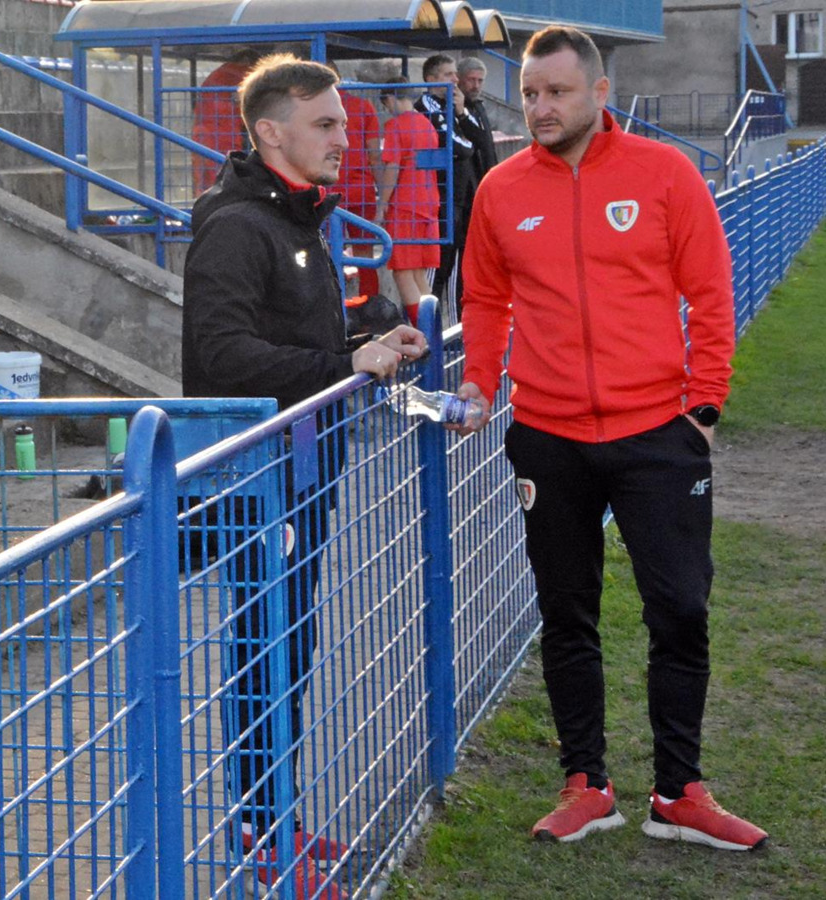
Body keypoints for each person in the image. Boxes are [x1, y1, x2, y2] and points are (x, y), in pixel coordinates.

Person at [454, 26, 768, 851]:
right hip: (548, 437)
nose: (540, 107)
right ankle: (586, 785)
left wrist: (703, 406)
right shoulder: (500, 189)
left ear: (599, 93)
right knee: (567, 614)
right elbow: (484, 297)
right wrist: (480, 380)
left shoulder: (663, 173)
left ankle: (679, 793)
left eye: (557, 91)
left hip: (657, 432)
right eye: (529, 92)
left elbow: (710, 289)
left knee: (680, 609)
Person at [181, 53, 427, 898]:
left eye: (344, 124)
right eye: (324, 125)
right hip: (258, 480)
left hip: (305, 467)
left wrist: (372, 334)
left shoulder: (302, 219)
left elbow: (302, 333)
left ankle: (275, 815)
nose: (343, 139)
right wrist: (341, 362)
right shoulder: (236, 227)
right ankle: (261, 834)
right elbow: (221, 357)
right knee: (264, 648)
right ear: (269, 132)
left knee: (292, 644)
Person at [374, 77, 441, 324]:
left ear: (391, 98)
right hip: (429, 204)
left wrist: (382, 205)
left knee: (402, 272)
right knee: (419, 274)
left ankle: (424, 332)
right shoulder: (427, 124)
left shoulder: (395, 126)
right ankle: (433, 329)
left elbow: (392, 167)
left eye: (385, 104)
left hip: (405, 205)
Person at [414, 54, 476, 308]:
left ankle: (452, 320)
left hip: (461, 196)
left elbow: (479, 140)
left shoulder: (455, 104)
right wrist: (468, 144)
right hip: (441, 198)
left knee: (457, 265)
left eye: (455, 74)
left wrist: (462, 114)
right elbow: (461, 146)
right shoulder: (427, 105)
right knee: (438, 264)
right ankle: (428, 320)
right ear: (431, 78)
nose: (455, 79)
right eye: (449, 74)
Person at [330, 68, 383, 301]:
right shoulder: (363, 106)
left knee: (326, 252)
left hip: (327, 192)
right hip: (361, 192)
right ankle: (369, 305)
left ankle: (333, 305)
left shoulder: (311, 107)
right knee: (365, 255)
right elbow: (374, 154)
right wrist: (383, 193)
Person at [192, 49, 264, 193]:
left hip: (205, 132)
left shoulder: (217, 75)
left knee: (206, 176)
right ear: (247, 61)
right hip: (225, 133)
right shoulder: (239, 74)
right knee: (226, 173)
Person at [456, 57, 500, 183]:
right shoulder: (454, 108)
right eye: (471, 80)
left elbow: (487, 143)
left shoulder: (479, 107)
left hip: (487, 177)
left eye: (480, 81)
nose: (476, 86)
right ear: (459, 79)